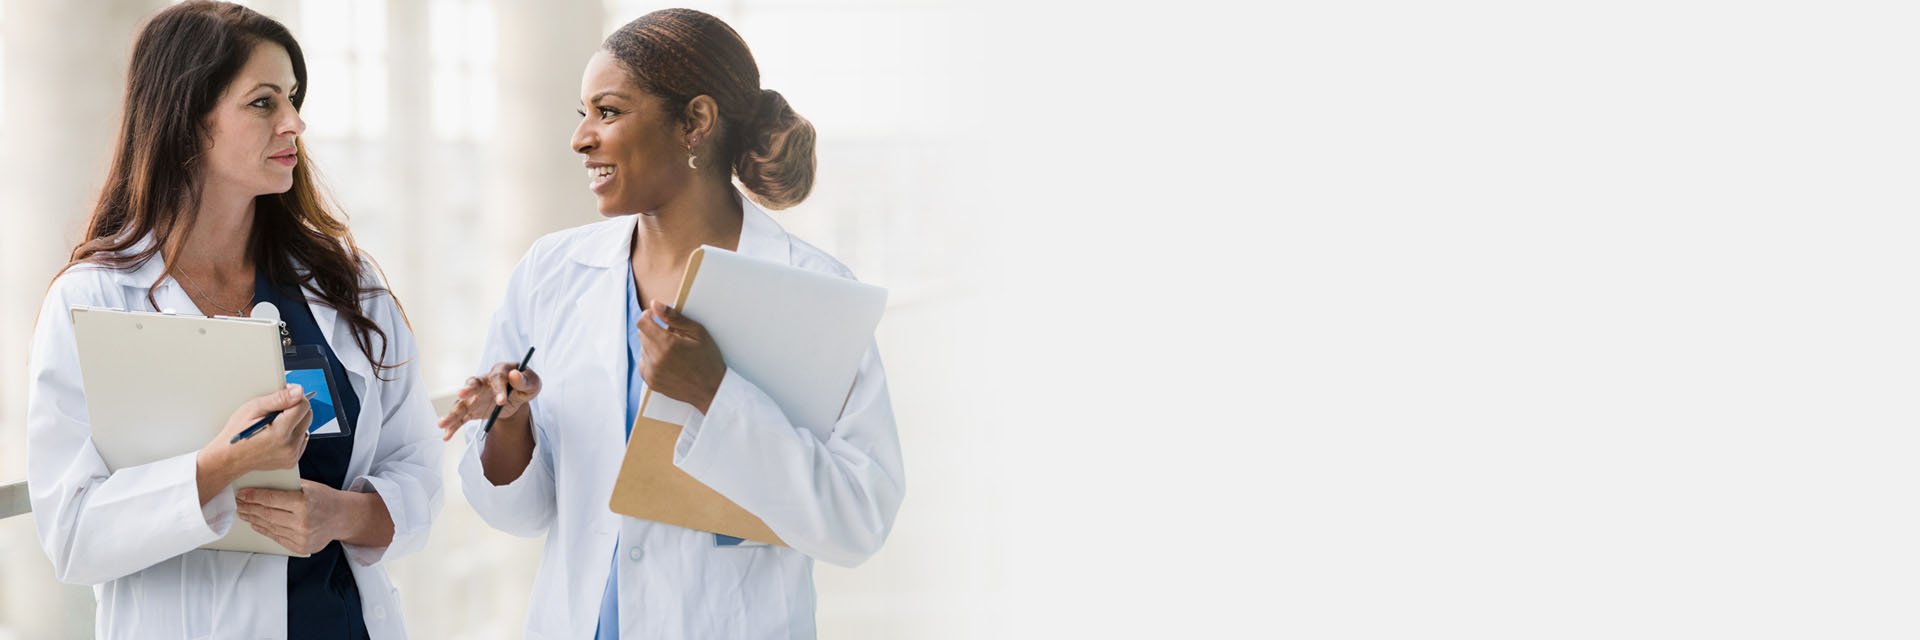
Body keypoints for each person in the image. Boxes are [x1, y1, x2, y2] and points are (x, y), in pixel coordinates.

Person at [438, 8, 905, 638]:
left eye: (607, 111)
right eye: (583, 114)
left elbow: (858, 521)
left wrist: (716, 395)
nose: (581, 138)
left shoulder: (815, 290)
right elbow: (522, 513)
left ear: (695, 122)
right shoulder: (552, 272)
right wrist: (509, 424)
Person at [25, 2, 442, 638]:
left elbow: (417, 474)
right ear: (189, 119)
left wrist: (344, 516)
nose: (295, 123)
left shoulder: (346, 285)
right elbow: (72, 535)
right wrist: (219, 467)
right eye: (264, 103)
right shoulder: (96, 300)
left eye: (294, 99)